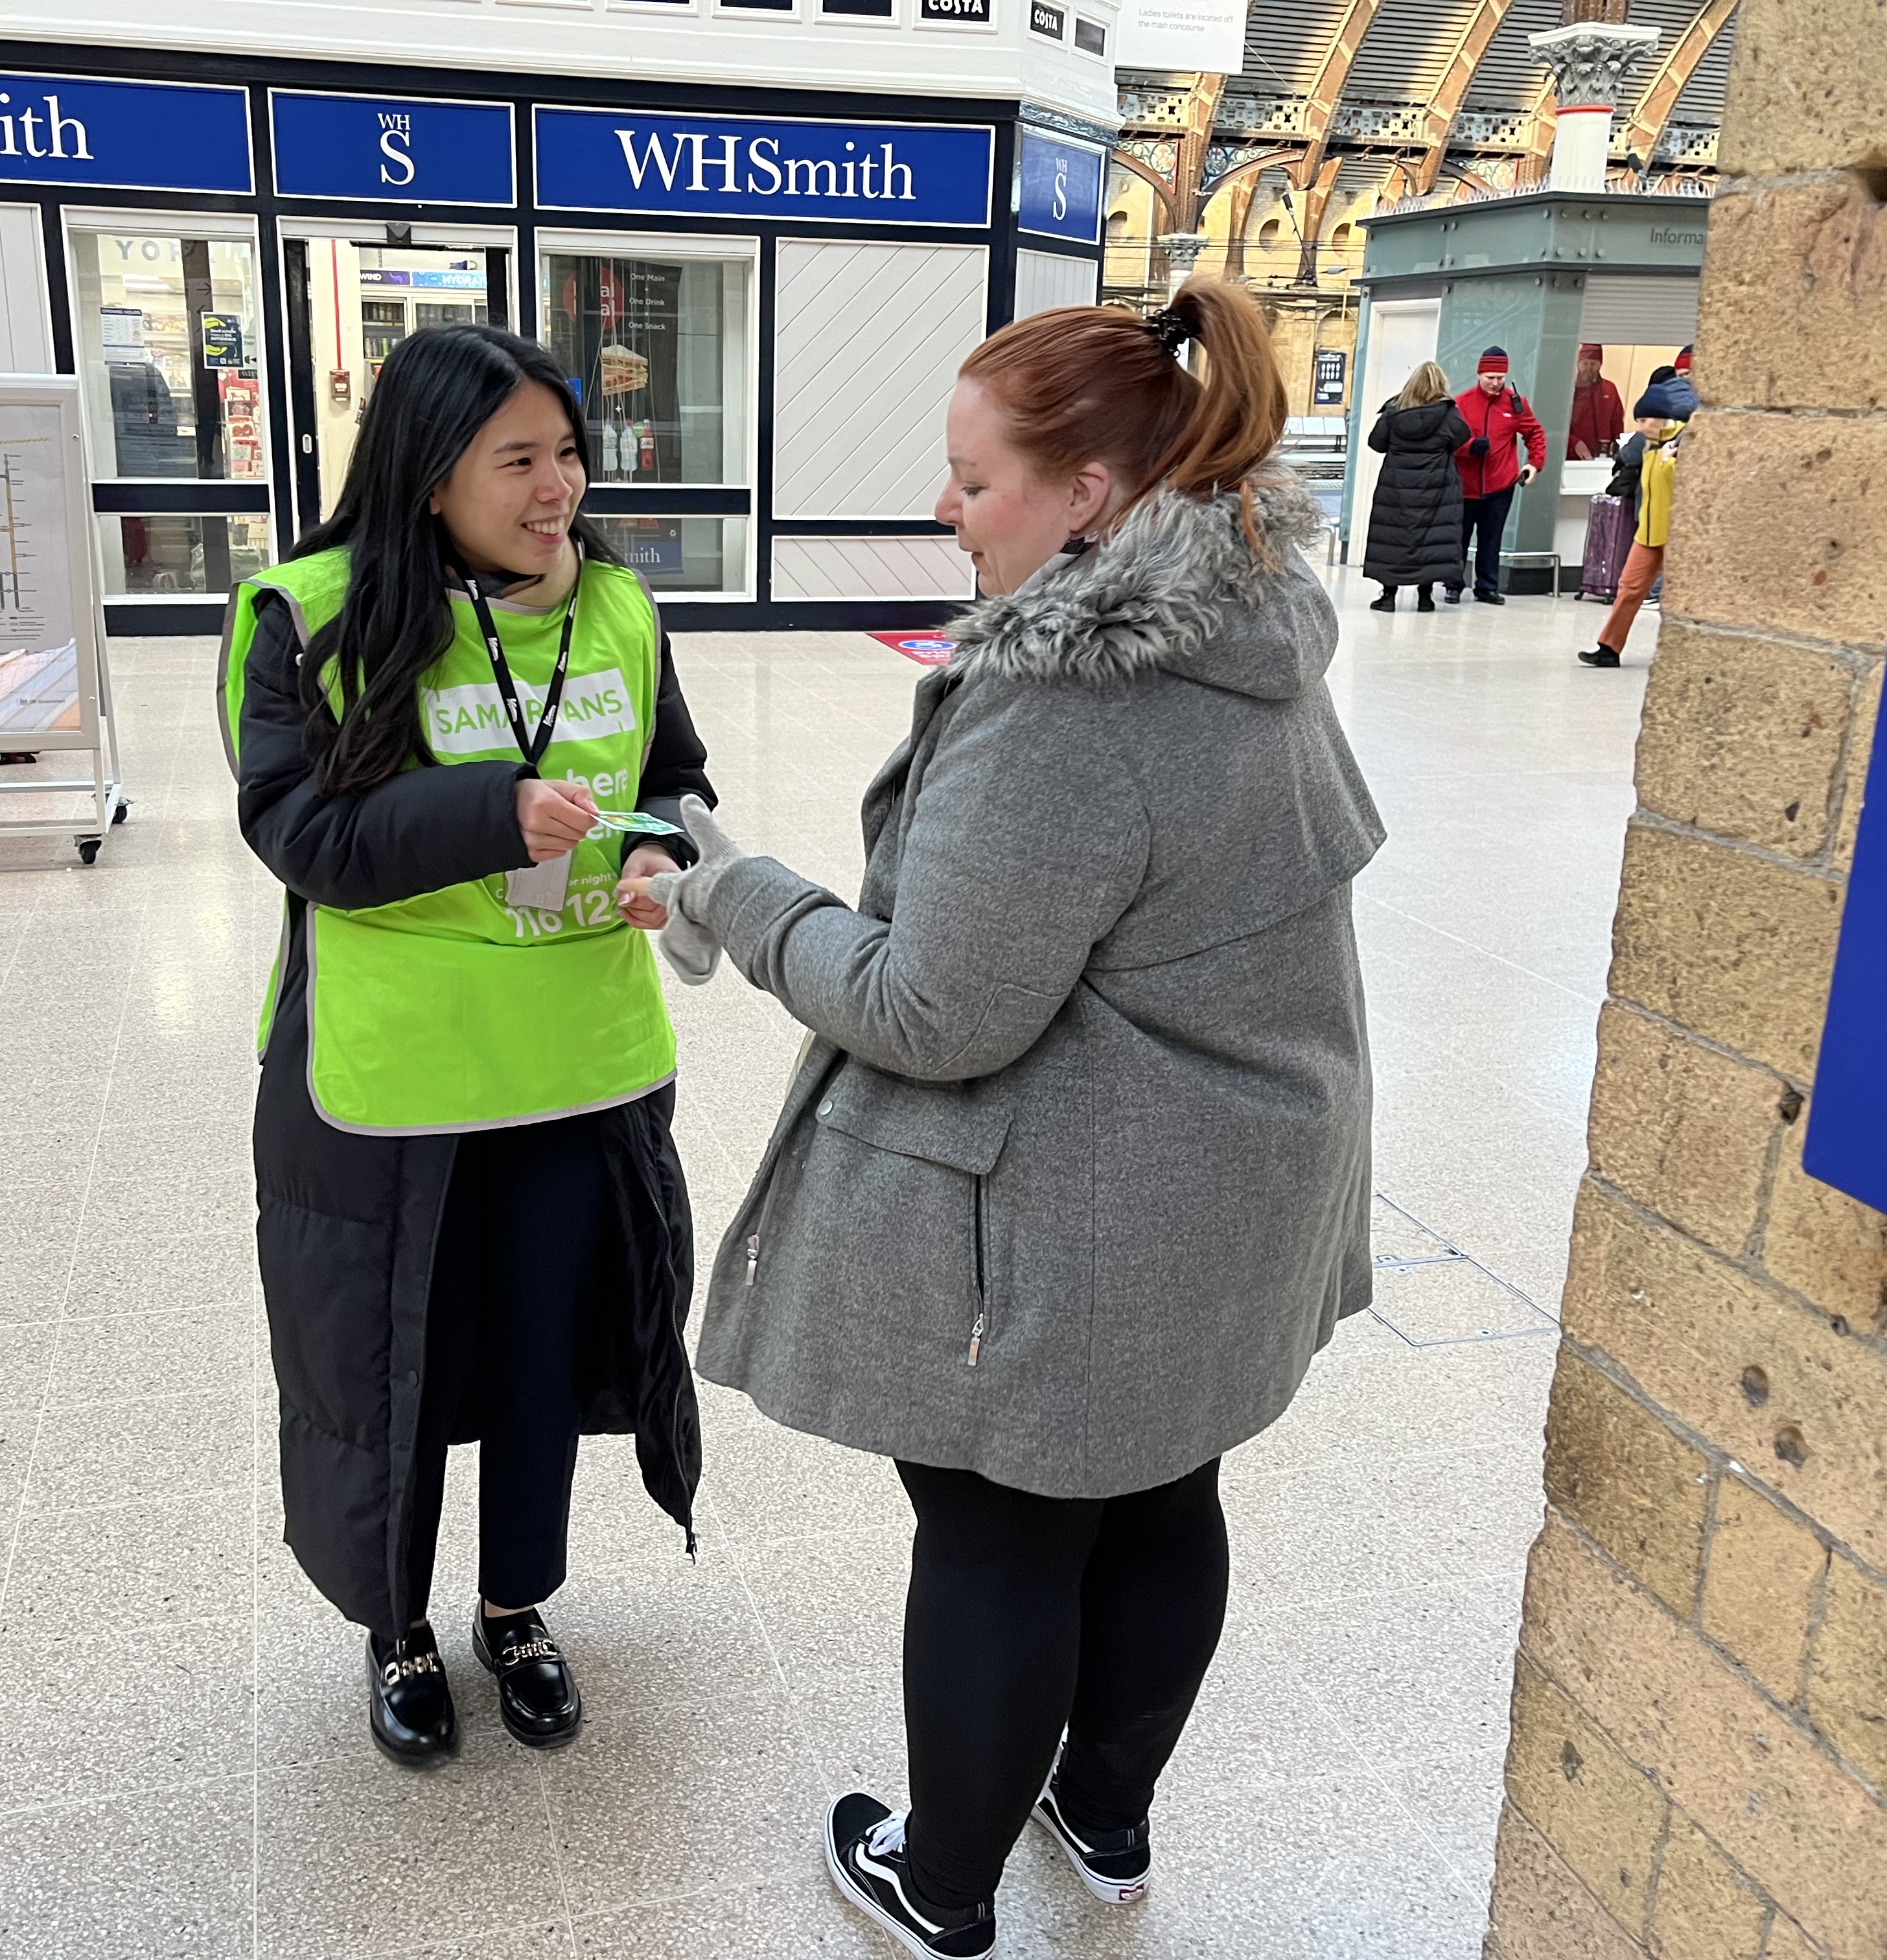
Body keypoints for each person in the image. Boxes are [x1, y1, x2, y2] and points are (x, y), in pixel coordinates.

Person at [647, 278, 1381, 1960]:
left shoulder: (1069, 704)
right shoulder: (1256, 635)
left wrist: (735, 892)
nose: (946, 505)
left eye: (976, 479)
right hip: (1246, 1169)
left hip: (1102, 1202)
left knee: (1002, 1530)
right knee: (1165, 1489)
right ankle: (1104, 1814)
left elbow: (934, 1010)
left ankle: (944, 1883)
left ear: (1091, 497)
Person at [218, 323, 712, 1768]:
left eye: (568, 455)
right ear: (431, 473)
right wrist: (491, 808)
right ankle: (397, 1623)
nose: (558, 488)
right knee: (400, 1371)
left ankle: (515, 1607)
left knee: (541, 1355)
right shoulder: (310, 614)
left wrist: (660, 857)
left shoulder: (617, 605)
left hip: (578, 1064)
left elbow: (671, 774)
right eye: (518, 461)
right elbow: (296, 830)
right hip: (397, 1080)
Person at [1580, 392, 1685, 667]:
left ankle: (1684, 655)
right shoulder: (1649, 446)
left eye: (1644, 420)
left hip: (1677, 536)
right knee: (1628, 588)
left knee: (1681, 598)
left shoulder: (1685, 443)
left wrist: (1671, 461)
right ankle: (1609, 648)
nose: (1640, 426)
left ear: (1661, 418)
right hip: (1647, 533)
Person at [1362, 361, 1470, 612]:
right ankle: (1425, 598)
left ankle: (1388, 597)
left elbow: (1376, 443)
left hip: (1396, 487)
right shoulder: (1448, 414)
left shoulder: (1393, 411)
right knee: (1430, 539)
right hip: (1436, 486)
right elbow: (1462, 437)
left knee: (1393, 537)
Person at [1446, 346, 1547, 605]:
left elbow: (1535, 433)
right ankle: (1453, 585)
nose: (1495, 383)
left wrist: (1534, 463)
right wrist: (1469, 447)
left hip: (1501, 484)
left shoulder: (1515, 404)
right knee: (1459, 537)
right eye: (1490, 377)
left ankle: (1487, 587)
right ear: (1479, 374)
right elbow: (1448, 440)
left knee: (1492, 538)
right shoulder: (1461, 403)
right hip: (1465, 485)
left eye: (1500, 378)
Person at [1567, 342, 1626, 460]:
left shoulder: (1610, 390)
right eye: (1585, 363)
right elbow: (1556, 424)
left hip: (1601, 458)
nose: (1589, 368)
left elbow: (1617, 424)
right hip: (1570, 456)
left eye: (1593, 364)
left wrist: (1616, 450)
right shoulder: (1569, 389)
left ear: (1600, 365)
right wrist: (1574, 443)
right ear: (1578, 363)